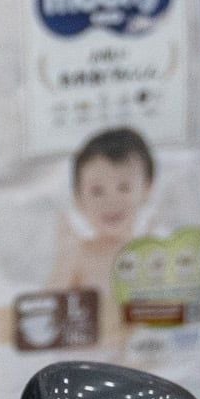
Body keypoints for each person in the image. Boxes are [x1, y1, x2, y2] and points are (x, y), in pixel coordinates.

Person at [52, 128, 155, 349]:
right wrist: (64, 256)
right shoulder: (81, 255)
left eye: (124, 188)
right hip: (92, 356)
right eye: (97, 191)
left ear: (147, 189)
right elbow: (51, 310)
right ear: (78, 198)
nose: (111, 201)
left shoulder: (152, 251)